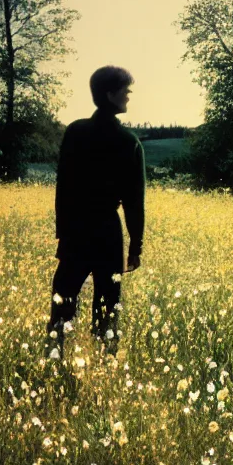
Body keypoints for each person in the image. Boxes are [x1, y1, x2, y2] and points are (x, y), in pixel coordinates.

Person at [45, 66, 145, 358]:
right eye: (125, 91)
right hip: (107, 233)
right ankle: (106, 364)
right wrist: (135, 246)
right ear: (110, 94)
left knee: (63, 300)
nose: (128, 96)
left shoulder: (75, 132)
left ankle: (54, 359)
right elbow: (134, 202)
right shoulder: (128, 142)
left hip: (76, 230)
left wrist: (62, 234)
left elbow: (62, 189)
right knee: (107, 304)